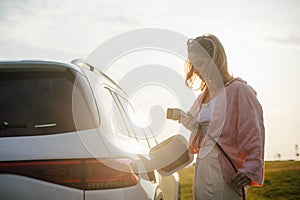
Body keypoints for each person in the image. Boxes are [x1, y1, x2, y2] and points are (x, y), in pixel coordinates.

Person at [179, 34, 265, 199]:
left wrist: (250, 169)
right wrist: (182, 118)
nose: (196, 70)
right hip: (203, 171)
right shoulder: (202, 97)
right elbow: (200, 132)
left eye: (200, 63)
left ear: (215, 60)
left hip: (226, 174)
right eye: (193, 65)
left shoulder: (239, 90)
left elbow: (254, 134)